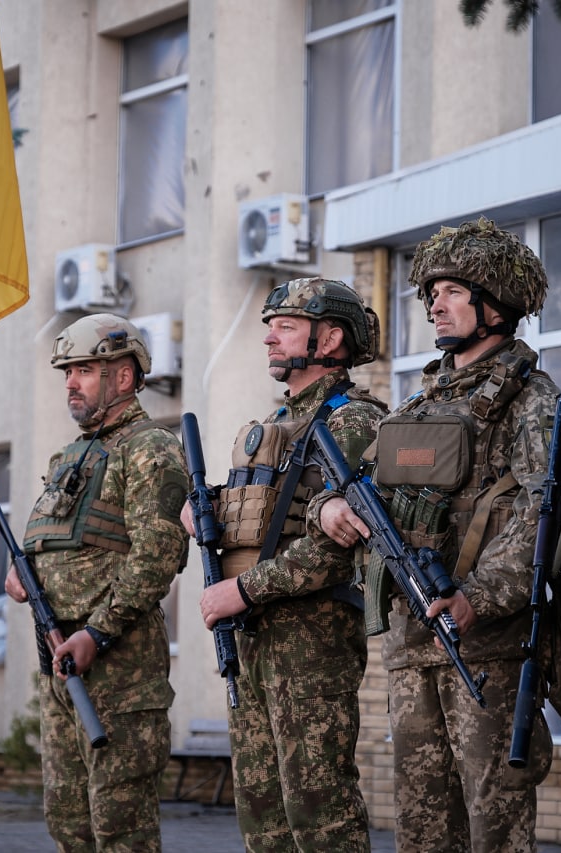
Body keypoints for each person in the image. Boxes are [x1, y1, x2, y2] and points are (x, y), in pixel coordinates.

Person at [311, 219, 559, 852]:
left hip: (486, 648)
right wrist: (328, 508)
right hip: (411, 647)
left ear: (495, 303)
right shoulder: (416, 407)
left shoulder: (530, 400)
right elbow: (354, 484)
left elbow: (545, 512)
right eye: (430, 294)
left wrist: (478, 597)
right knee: (422, 830)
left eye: (451, 291)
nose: (434, 306)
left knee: (495, 828)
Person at [189, 278, 386, 852]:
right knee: (262, 819)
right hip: (253, 636)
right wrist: (205, 511)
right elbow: (265, 516)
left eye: (286, 326)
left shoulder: (354, 422)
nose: (269, 338)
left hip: (310, 640)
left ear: (331, 338)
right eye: (270, 327)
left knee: (319, 815)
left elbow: (336, 545)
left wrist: (243, 590)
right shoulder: (274, 425)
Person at [6, 313, 189, 852]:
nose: (71, 383)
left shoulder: (150, 447)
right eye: (68, 372)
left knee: (120, 829)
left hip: (119, 671)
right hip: (61, 663)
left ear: (124, 377)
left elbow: (158, 555)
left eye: (84, 370)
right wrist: (22, 568)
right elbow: (51, 540)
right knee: (69, 826)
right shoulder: (72, 456)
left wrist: (98, 632)